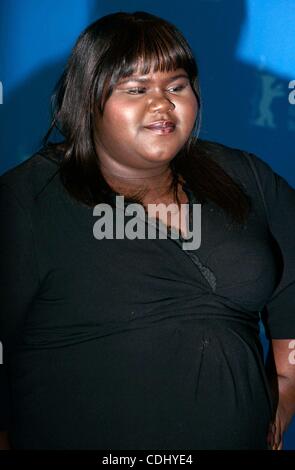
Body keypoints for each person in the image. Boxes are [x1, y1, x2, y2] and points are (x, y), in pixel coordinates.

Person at [0, 10, 295, 450]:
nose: (162, 104)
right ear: (87, 100)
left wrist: (282, 399)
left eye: (176, 86)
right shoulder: (28, 199)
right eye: (136, 90)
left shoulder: (247, 178)